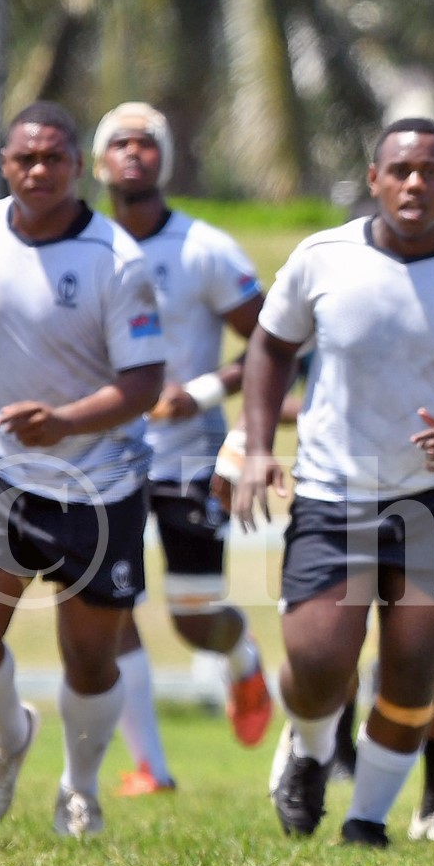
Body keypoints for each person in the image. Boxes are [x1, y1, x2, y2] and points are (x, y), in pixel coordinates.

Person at [233, 117, 434, 848]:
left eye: (429, 172)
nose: (413, 184)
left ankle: (366, 820)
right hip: (334, 493)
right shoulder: (321, 257)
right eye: (398, 171)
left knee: (412, 669)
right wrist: (251, 446)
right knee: (318, 662)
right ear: (374, 179)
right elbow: (270, 349)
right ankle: (308, 749)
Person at [0, 101, 167, 838]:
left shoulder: (116, 260)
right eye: (25, 158)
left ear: (77, 167)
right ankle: (9, 733)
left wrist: (65, 421)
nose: (39, 170)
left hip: (103, 485)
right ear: (4, 163)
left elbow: (146, 382)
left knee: (92, 659)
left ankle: (82, 787)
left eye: (54, 158)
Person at [91, 102, 273, 797]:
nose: (133, 153)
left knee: (195, 619)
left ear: (164, 159)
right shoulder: (84, 246)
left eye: (146, 143)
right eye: (119, 143)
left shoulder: (207, 248)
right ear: (100, 161)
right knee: (107, 609)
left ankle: (244, 658)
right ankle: (150, 767)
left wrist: (198, 391)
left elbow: (272, 345)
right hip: (100, 457)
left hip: (188, 457)